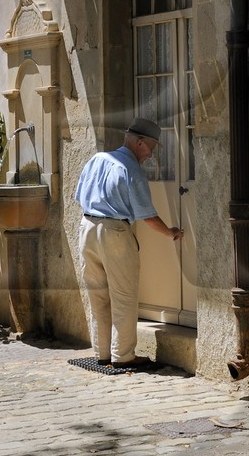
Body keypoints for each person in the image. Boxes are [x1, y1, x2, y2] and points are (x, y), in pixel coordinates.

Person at [74, 117, 183, 370]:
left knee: (98, 295)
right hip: (114, 232)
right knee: (124, 295)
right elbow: (147, 216)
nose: (151, 155)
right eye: (151, 148)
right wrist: (170, 233)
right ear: (140, 142)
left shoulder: (97, 159)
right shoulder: (130, 169)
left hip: (87, 227)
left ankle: (103, 353)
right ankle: (123, 356)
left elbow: (79, 196)